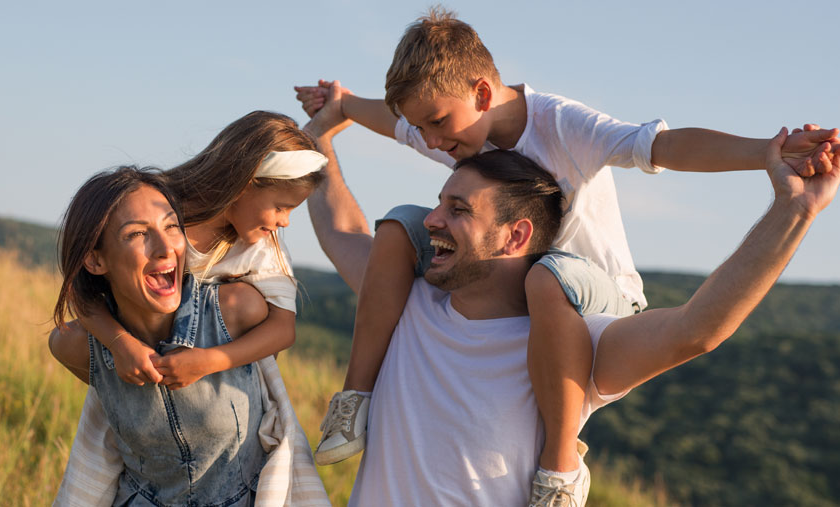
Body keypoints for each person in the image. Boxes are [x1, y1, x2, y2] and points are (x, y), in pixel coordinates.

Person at [293, 7, 840, 503]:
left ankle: (559, 470)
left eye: (458, 208)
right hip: (537, 290)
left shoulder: (562, 126)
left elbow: (665, 149)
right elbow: (375, 163)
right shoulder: (412, 300)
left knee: (548, 280)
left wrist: (771, 157)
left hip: (592, 297)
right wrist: (335, 114)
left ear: (482, 93)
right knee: (400, 225)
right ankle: (354, 398)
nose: (430, 141)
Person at [48, 167, 328, 506]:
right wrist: (120, 343)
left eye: (171, 226)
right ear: (95, 259)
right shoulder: (76, 346)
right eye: (137, 233)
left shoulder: (236, 312)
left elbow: (283, 335)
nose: (165, 248)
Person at [76, 111, 327, 391]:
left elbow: (283, 329)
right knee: (66, 339)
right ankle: (132, 402)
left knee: (247, 304)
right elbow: (83, 291)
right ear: (243, 185)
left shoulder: (262, 248)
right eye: (280, 207)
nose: (285, 221)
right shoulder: (157, 207)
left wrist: (208, 362)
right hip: (139, 353)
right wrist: (120, 344)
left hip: (210, 376)